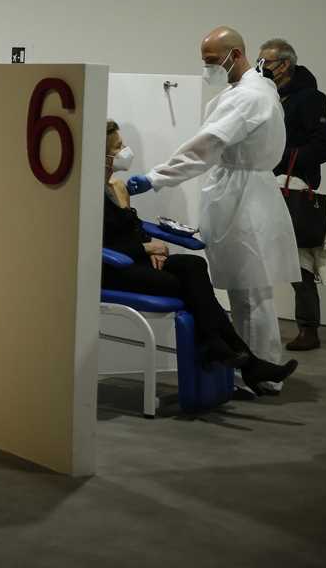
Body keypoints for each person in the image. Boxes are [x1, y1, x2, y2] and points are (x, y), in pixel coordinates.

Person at [128, 26, 301, 393]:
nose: (208, 68)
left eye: (212, 61)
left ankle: (258, 373)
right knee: (245, 289)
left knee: (250, 291)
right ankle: (252, 367)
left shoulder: (248, 97)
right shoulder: (248, 90)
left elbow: (205, 147)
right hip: (241, 192)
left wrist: (156, 178)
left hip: (244, 198)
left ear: (236, 54)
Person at [104, 121, 297, 393]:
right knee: (189, 286)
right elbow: (94, 243)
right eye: (118, 147)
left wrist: (152, 244)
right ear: (103, 156)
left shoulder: (117, 187)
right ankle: (244, 361)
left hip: (135, 259)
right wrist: (145, 249)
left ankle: (221, 348)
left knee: (194, 265)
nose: (125, 150)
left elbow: (133, 229)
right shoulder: (87, 194)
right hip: (113, 267)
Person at [259, 37, 326, 351]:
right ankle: (262, 322)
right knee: (265, 254)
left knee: (300, 259)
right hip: (265, 183)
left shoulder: (310, 98)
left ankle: (308, 328)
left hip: (295, 185)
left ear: (284, 64)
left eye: (266, 62)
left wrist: (285, 157)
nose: (261, 67)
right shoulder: (270, 94)